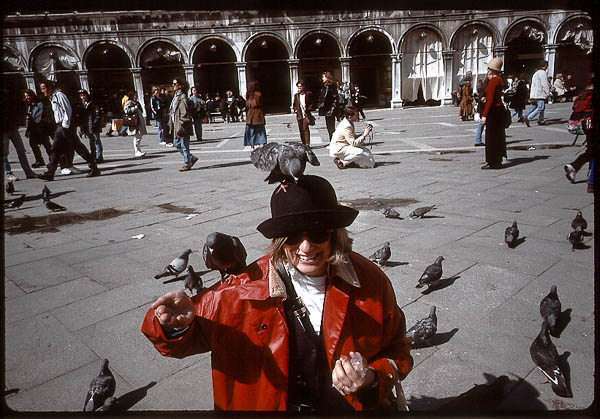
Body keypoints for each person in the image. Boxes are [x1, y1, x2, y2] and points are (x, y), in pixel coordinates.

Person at [142, 174, 413, 412]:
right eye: (293, 235)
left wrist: (370, 379)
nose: (306, 247)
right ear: (280, 240)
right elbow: (176, 344)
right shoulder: (240, 290)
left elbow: (398, 352)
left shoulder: (371, 282)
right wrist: (173, 325)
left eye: (317, 232)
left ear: (335, 233)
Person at [37, 80, 100, 181]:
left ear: (49, 88)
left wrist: (65, 125)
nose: (42, 91)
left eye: (44, 89)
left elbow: (67, 109)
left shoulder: (59, 95)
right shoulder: (52, 97)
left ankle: (93, 167)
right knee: (58, 149)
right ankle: (50, 172)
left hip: (65, 127)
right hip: (61, 127)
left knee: (72, 147)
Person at [2, 87, 38, 181]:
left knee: (21, 150)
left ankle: (28, 172)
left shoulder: (7, 94)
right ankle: (9, 173)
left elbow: (14, 109)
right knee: (4, 154)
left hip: (12, 128)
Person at [564, 76, 594, 185]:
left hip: (585, 122)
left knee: (591, 148)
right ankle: (589, 175)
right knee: (592, 150)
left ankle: (577, 169)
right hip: (592, 121)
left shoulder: (585, 92)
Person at [480, 58, 507, 170]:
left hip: (493, 111)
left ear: (491, 70)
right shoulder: (500, 80)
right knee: (498, 136)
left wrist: (484, 115)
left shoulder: (493, 81)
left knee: (491, 137)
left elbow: (490, 100)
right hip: (499, 110)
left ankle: (492, 161)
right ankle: (498, 160)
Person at [170, 78, 197, 172]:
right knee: (176, 144)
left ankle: (187, 164)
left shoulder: (182, 96)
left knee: (184, 145)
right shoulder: (176, 96)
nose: (173, 85)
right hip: (176, 123)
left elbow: (184, 112)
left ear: (180, 85)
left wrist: (182, 122)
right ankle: (191, 158)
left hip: (182, 124)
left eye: (174, 84)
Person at [24, 89, 52, 168]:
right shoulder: (29, 105)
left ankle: (53, 159)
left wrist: (31, 117)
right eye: (25, 96)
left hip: (40, 127)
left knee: (46, 144)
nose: (27, 97)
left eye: (28, 96)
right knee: (33, 144)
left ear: (32, 95)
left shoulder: (39, 104)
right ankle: (39, 160)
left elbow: (41, 115)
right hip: (32, 128)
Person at [77, 90, 104, 163]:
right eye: (81, 95)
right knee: (91, 141)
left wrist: (95, 124)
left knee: (97, 141)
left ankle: (99, 156)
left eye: (84, 95)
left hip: (94, 125)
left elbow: (98, 114)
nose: (83, 97)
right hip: (87, 126)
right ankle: (93, 156)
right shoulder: (81, 104)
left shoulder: (92, 103)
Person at [523, 60, 551, 127]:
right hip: (540, 93)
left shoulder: (535, 73)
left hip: (534, 93)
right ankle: (529, 118)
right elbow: (544, 83)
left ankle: (539, 119)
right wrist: (547, 92)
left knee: (534, 106)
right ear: (545, 66)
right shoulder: (543, 73)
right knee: (540, 107)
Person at [317, 71, 342, 142]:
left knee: (330, 127)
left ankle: (333, 142)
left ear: (326, 77)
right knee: (331, 127)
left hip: (329, 110)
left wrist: (320, 105)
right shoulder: (332, 85)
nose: (322, 79)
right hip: (332, 109)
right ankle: (333, 141)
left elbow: (325, 97)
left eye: (323, 77)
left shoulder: (327, 86)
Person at [243, 80, 267, 149]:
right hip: (257, 111)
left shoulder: (247, 95)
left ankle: (251, 143)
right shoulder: (258, 94)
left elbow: (247, 104)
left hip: (250, 113)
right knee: (260, 129)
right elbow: (261, 104)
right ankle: (261, 142)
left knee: (250, 129)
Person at [124, 91, 147, 157]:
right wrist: (135, 108)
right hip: (135, 122)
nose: (136, 96)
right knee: (137, 136)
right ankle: (137, 151)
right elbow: (126, 111)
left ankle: (138, 150)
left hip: (139, 121)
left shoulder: (136, 102)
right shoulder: (129, 102)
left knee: (139, 136)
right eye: (135, 95)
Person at [292, 80, 314, 146]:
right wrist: (295, 109)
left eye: (300, 86)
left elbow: (312, 103)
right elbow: (294, 104)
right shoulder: (296, 95)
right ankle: (303, 143)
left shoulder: (308, 94)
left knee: (305, 128)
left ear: (303, 87)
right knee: (301, 129)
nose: (299, 88)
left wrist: (309, 109)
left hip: (306, 114)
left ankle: (307, 144)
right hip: (299, 114)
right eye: (298, 87)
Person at [473, 77, 488, 147]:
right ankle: (478, 140)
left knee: (481, 125)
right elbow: (482, 100)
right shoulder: (485, 89)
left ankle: (477, 140)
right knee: (482, 125)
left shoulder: (482, 88)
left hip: (482, 110)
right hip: (484, 110)